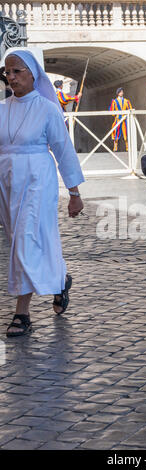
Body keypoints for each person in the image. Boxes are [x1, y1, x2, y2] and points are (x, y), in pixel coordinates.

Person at [0, 50, 84, 337]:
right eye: (7, 72)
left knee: (25, 241)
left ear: (33, 73)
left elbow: (63, 150)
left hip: (38, 179)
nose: (10, 77)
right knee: (21, 241)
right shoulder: (1, 108)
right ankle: (60, 282)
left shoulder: (48, 108)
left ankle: (22, 314)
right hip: (7, 183)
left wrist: (74, 192)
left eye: (16, 71)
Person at [109, 87, 132, 152]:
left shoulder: (126, 101)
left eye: (122, 91)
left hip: (124, 119)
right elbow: (112, 111)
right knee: (116, 133)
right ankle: (115, 147)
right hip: (118, 119)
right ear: (118, 93)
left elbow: (130, 108)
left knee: (126, 133)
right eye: (120, 92)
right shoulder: (114, 101)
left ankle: (127, 147)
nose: (122, 93)